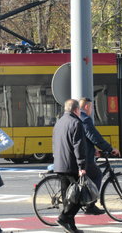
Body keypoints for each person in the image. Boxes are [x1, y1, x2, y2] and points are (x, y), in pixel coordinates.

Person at [79, 97, 120, 215]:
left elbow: (85, 138)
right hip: (84, 157)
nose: (92, 109)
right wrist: (110, 149)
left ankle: (86, 200)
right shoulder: (85, 119)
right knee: (97, 175)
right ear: (86, 107)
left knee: (89, 177)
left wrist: (94, 149)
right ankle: (90, 205)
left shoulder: (78, 117)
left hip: (81, 154)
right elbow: (95, 137)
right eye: (91, 107)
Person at [52, 99, 87, 233]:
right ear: (76, 110)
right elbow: (78, 146)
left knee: (68, 197)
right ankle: (63, 217)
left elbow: (55, 142)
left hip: (60, 165)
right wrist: (81, 166)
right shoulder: (76, 123)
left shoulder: (59, 122)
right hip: (71, 165)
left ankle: (71, 227)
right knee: (78, 197)